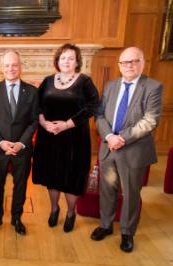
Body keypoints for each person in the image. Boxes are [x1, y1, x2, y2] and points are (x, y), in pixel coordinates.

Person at [91, 47, 163, 252]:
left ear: (142, 62)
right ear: (119, 65)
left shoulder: (153, 87)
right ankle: (105, 225)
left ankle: (127, 232)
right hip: (108, 147)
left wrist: (121, 138)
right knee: (106, 189)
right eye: (125, 62)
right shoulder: (111, 85)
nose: (129, 65)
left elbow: (150, 121)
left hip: (133, 150)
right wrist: (109, 136)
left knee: (131, 193)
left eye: (134, 61)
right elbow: (99, 115)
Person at [32, 43, 99, 232]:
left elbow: (93, 106)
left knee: (71, 178)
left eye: (70, 58)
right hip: (49, 137)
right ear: (57, 61)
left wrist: (67, 124)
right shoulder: (47, 81)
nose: (66, 61)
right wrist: (44, 123)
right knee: (51, 176)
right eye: (63, 58)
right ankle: (54, 208)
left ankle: (70, 212)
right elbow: (36, 105)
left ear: (77, 61)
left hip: (74, 138)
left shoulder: (85, 81)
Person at [0, 50, 38, 235]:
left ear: (20, 67)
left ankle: (17, 218)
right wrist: (1, 143)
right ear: (2, 68)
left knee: (20, 186)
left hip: (22, 149)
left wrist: (21, 143)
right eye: (7, 65)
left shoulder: (32, 91)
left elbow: (33, 121)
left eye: (14, 65)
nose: (11, 68)